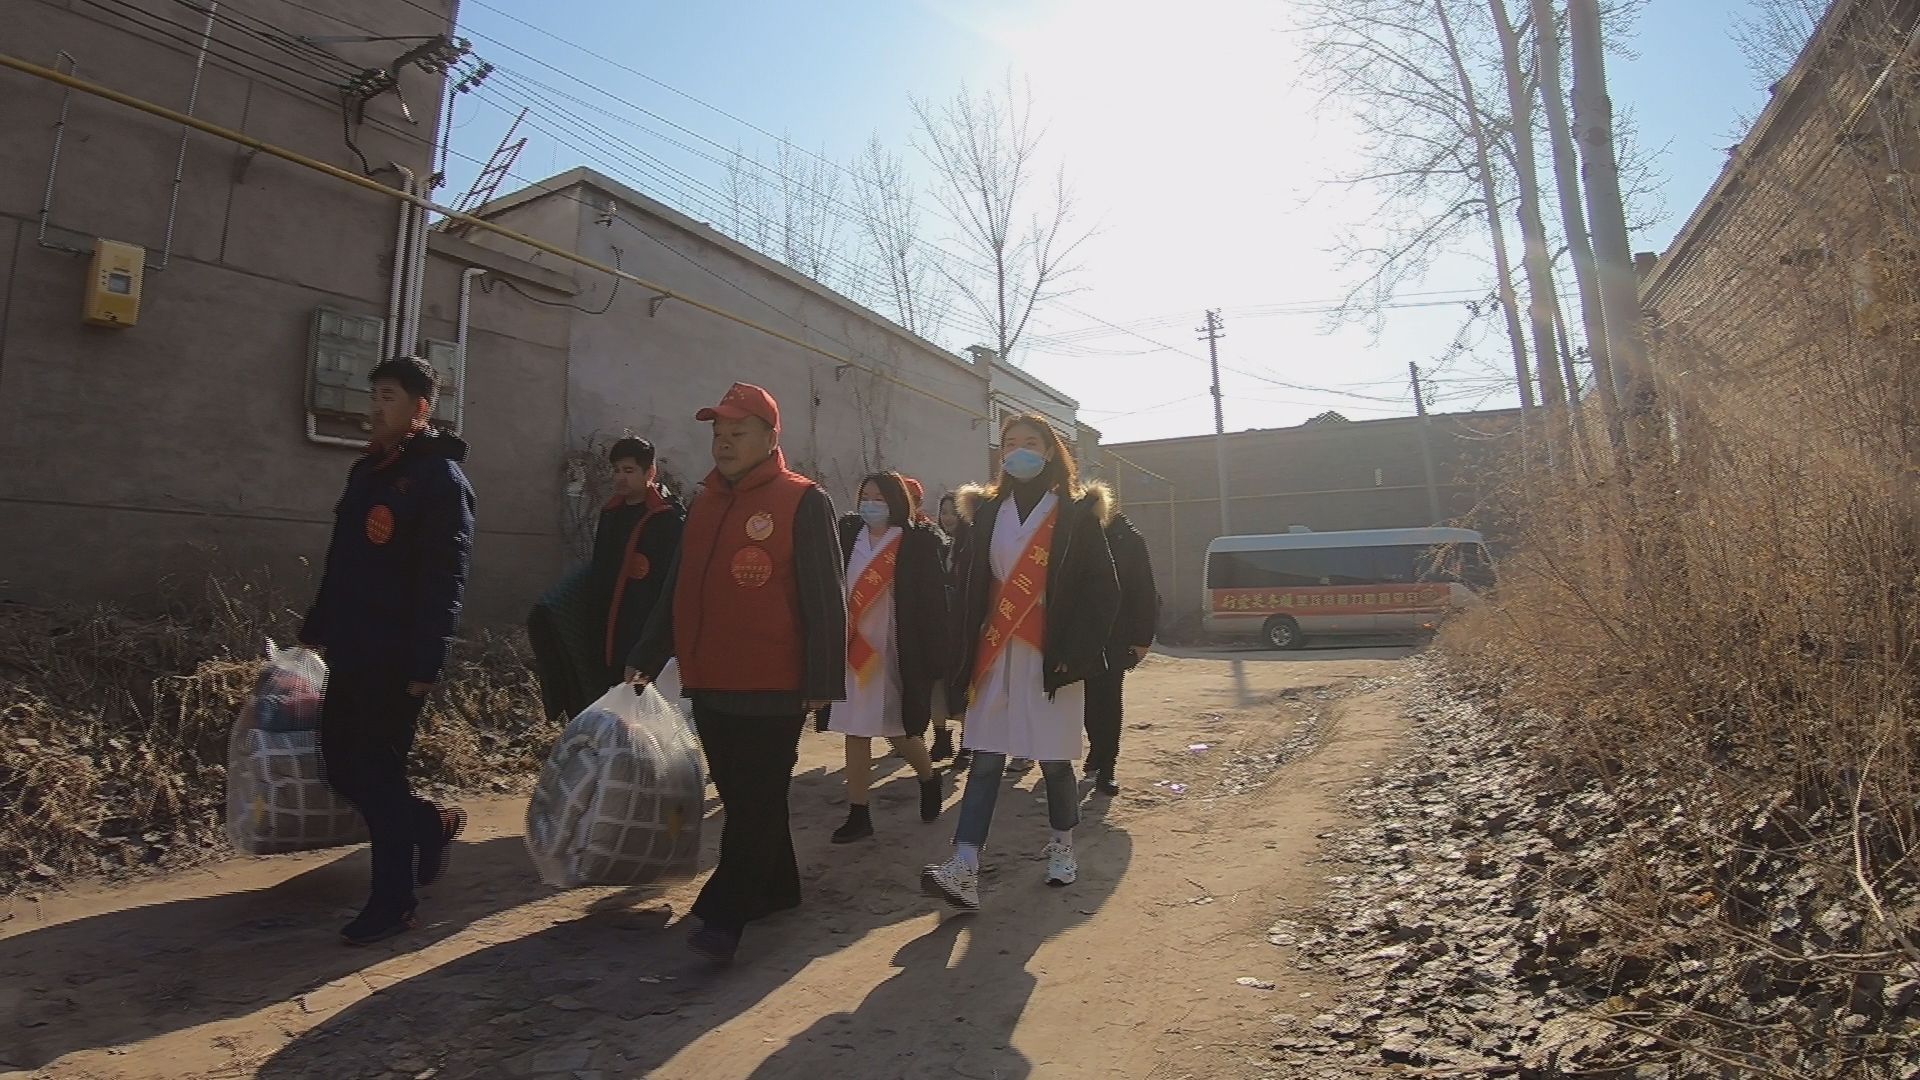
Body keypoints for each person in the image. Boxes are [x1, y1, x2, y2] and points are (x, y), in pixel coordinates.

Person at [626, 382, 846, 964]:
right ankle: (780, 887)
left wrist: (823, 683)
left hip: (774, 682)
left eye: (737, 433)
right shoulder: (703, 503)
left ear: (770, 437)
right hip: (709, 676)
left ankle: (725, 913)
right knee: (747, 794)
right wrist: (649, 652)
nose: (723, 443)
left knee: (753, 802)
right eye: (718, 434)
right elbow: (677, 587)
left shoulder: (803, 500)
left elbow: (826, 598)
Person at [299, 356, 475, 946]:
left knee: (376, 772)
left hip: (397, 654)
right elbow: (343, 555)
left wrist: (429, 658)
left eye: (389, 397)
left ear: (420, 408)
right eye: (374, 395)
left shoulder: (439, 479)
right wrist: (319, 621)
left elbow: (444, 576)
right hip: (351, 643)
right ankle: (429, 824)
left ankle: (393, 901)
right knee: (340, 764)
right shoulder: (369, 471)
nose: (375, 407)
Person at [922, 414, 1120, 910]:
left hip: (1049, 658)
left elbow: (1103, 591)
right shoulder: (988, 512)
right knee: (986, 757)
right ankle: (964, 865)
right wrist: (960, 652)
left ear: (1051, 451)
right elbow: (970, 586)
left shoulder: (1074, 514)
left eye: (1031, 442)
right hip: (995, 652)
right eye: (1011, 443)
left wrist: (1076, 653)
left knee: (1053, 761)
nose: (1020, 450)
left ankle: (1062, 845)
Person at [823, 472, 948, 842]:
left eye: (879, 497)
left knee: (898, 730)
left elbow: (931, 604)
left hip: (893, 650)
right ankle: (858, 813)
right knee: (856, 728)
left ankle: (929, 777)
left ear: (896, 501)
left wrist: (935, 656)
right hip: (853, 650)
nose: (871, 504)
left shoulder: (915, 542)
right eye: (866, 496)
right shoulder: (849, 536)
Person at [1083, 506, 1160, 796]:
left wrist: (1142, 640)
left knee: (1109, 700)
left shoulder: (1128, 539)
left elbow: (1144, 592)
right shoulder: (1080, 535)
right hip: (1084, 636)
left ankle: (1108, 766)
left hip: (1116, 636)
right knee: (1088, 701)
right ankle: (1095, 751)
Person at [930, 491, 971, 768]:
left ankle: (968, 743)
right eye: (944, 512)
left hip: (963, 627)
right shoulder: (937, 544)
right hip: (939, 627)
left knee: (963, 684)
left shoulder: (971, 546)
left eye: (953, 512)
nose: (948, 518)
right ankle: (941, 738)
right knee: (937, 684)